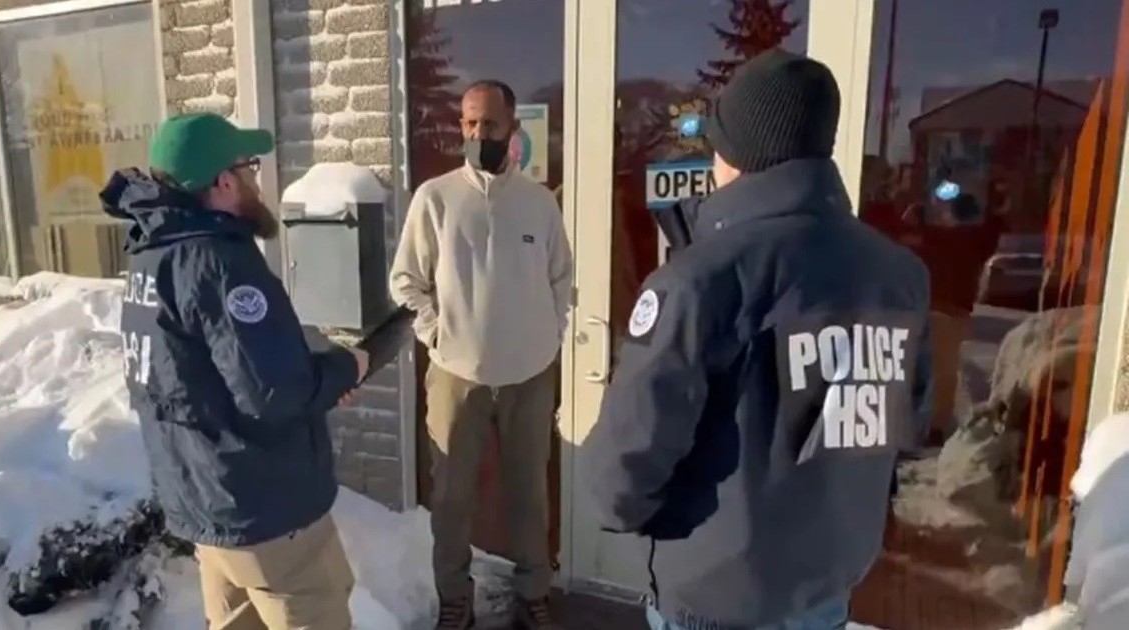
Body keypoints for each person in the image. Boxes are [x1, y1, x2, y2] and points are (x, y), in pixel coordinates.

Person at [583, 50, 933, 630]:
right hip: (825, 591)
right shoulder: (899, 274)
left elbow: (621, 474)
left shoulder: (702, 279)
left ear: (735, 154)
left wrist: (639, 512)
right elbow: (900, 427)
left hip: (717, 597)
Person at [103, 112, 368, 630]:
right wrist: (346, 368)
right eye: (249, 167)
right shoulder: (220, 263)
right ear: (223, 182)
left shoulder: (152, 255)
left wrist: (312, 380)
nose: (255, 179)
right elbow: (274, 392)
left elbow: (204, 376)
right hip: (266, 511)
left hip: (207, 501)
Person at [389, 79, 573, 630]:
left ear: (512, 128)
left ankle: (533, 592)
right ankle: (455, 598)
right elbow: (405, 280)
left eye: (489, 124)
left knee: (529, 496)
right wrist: (437, 334)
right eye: (469, 123)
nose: (478, 133)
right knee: (451, 498)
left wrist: (549, 335)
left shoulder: (538, 203)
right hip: (455, 375)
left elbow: (562, 279)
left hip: (529, 376)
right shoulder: (435, 198)